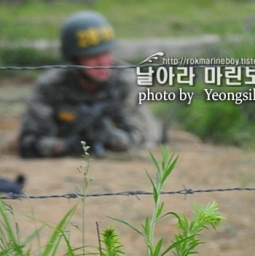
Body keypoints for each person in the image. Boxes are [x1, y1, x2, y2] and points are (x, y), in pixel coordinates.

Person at [19, 12, 164, 159]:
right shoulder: (51, 86)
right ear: (74, 60)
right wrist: (63, 146)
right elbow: (29, 143)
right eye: (93, 57)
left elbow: (144, 137)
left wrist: (113, 138)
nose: (103, 63)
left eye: (106, 54)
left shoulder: (126, 81)